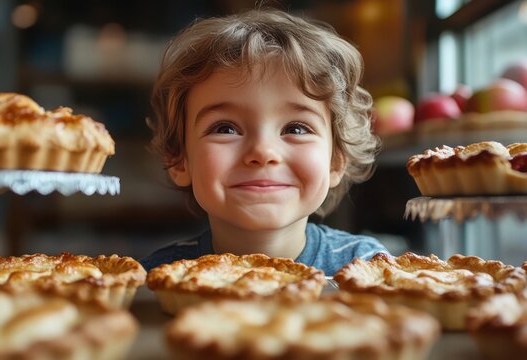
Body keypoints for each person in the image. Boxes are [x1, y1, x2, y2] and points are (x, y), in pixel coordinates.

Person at [140, 8, 388, 276]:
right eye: (225, 128)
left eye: (296, 128)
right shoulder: (153, 279)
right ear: (178, 159)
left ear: (336, 160)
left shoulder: (370, 269)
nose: (263, 151)